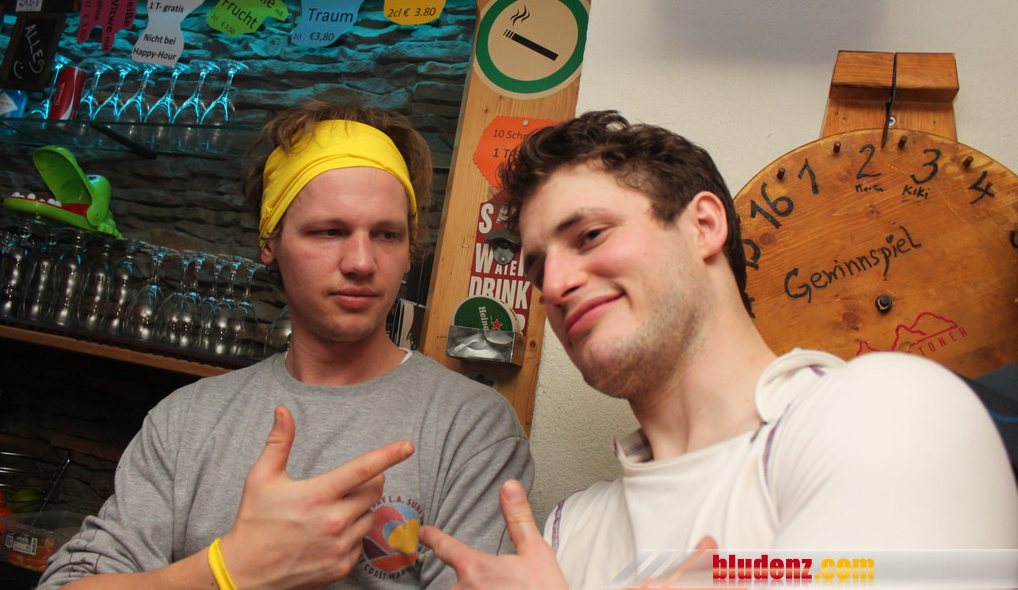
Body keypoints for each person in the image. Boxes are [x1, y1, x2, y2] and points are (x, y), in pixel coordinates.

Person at [418, 110, 1018, 588]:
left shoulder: (886, 412)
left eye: (591, 234)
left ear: (703, 226)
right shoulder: (568, 532)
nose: (553, 285)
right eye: (537, 268)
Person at [40, 101, 533, 589]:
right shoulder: (186, 421)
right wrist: (225, 571)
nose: (362, 262)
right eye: (329, 231)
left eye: (387, 234)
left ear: (409, 253)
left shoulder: (470, 428)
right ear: (270, 243)